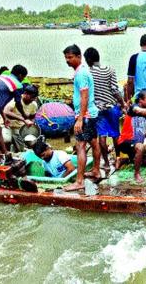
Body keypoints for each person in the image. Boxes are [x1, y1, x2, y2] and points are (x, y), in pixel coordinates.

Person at [62, 44, 100, 192]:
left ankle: (79, 181)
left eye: (70, 57)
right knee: (94, 142)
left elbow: (84, 95)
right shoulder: (81, 72)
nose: (67, 60)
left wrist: (80, 119)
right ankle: (96, 170)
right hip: (90, 113)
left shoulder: (81, 74)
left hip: (86, 115)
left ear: (79, 57)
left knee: (80, 146)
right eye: (66, 58)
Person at [84, 47, 126, 173]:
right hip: (112, 107)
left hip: (98, 109)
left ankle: (107, 163)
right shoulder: (110, 69)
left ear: (88, 60)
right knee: (115, 134)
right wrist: (122, 103)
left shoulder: (88, 73)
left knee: (102, 136)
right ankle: (118, 158)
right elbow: (114, 89)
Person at [117, 90, 146, 183]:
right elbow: (139, 111)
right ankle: (136, 174)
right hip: (125, 141)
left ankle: (124, 159)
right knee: (140, 147)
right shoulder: (134, 108)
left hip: (135, 143)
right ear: (140, 100)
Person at [3, 84, 38, 152]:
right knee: (6, 139)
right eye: (31, 97)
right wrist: (23, 120)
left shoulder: (33, 104)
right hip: (7, 125)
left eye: (34, 98)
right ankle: (6, 153)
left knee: (24, 146)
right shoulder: (16, 99)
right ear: (25, 94)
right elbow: (6, 112)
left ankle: (15, 151)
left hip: (19, 128)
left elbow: (32, 117)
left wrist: (31, 124)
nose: (32, 99)